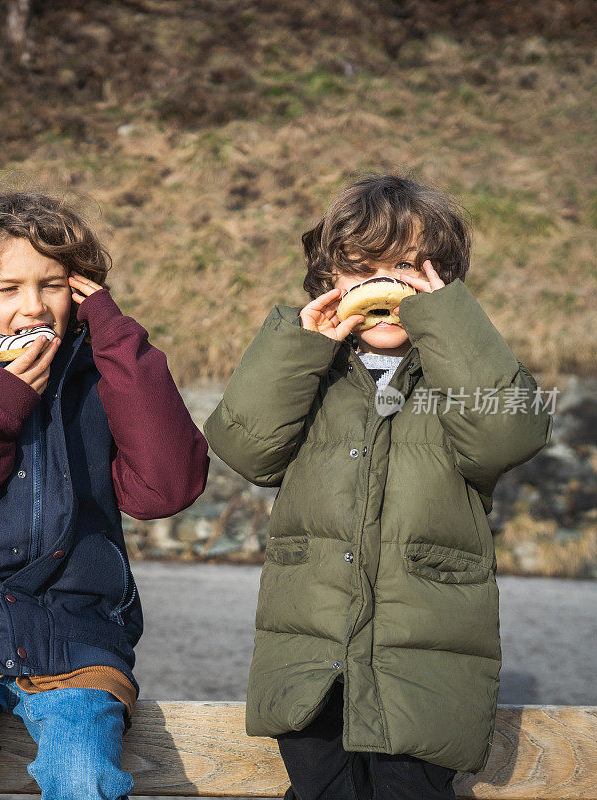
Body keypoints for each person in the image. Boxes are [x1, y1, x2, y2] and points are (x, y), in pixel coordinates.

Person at [203, 174, 553, 800]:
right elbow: (246, 448)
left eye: (404, 270)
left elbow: (507, 436)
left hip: (423, 661)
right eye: (359, 270)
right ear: (327, 283)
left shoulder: (459, 368)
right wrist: (298, 348)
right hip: (315, 660)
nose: (381, 288)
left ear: (443, 283)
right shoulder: (312, 369)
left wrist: (445, 321)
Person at [0, 191, 210, 800]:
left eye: (53, 286)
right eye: (7, 290)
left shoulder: (108, 380)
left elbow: (167, 487)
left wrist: (115, 335)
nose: (33, 309)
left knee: (84, 778)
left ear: (81, 292)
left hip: (80, 638)